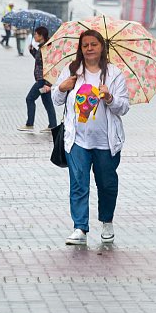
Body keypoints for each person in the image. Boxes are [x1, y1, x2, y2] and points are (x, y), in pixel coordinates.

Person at [52, 30, 130, 246]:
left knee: (106, 183)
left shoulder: (114, 74)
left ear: (102, 47)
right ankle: (80, 227)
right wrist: (62, 87)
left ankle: (107, 222)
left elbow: (124, 107)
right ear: (80, 48)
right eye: (85, 45)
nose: (89, 48)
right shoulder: (72, 71)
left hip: (106, 141)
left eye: (93, 44)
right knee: (78, 183)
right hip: (77, 140)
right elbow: (56, 99)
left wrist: (110, 98)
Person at [18, 26, 58, 133]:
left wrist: (48, 84)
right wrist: (32, 51)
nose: (34, 36)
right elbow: (40, 60)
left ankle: (29, 124)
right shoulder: (42, 47)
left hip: (42, 81)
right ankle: (53, 125)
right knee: (48, 103)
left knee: (29, 99)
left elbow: (50, 66)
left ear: (41, 36)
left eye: (36, 34)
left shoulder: (46, 48)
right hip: (42, 80)